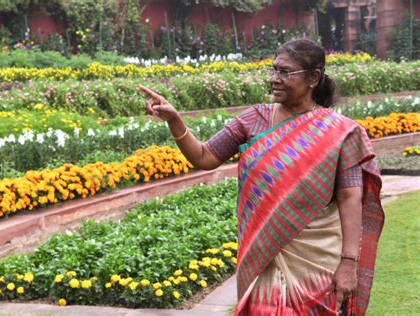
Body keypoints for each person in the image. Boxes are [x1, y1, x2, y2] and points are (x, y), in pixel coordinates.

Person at [138, 38, 384, 315]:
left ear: (314, 78)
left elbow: (350, 195)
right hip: (262, 257)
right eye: (273, 70)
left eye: (285, 72)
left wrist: (349, 262)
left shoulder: (340, 132)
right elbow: (204, 157)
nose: (275, 79)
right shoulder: (253, 119)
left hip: (316, 262)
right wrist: (175, 120)